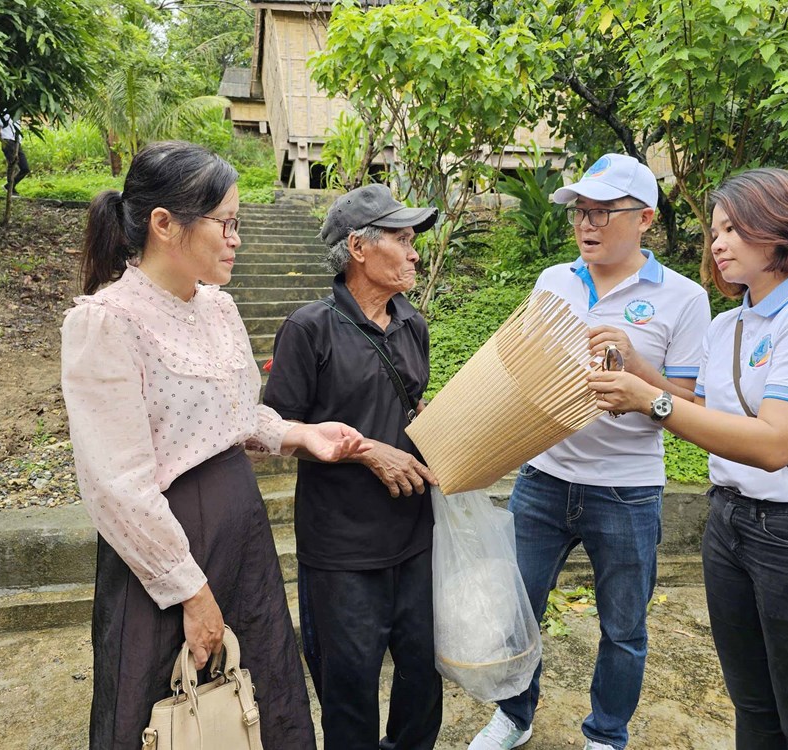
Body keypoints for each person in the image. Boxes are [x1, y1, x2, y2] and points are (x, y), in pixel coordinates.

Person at [61, 140, 370, 749]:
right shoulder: (108, 323)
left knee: (260, 699)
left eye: (238, 223)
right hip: (168, 551)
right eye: (225, 224)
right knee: (174, 711)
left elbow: (235, 416)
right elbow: (117, 487)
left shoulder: (219, 309)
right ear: (164, 224)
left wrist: (300, 434)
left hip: (241, 533)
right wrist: (191, 593)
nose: (236, 239)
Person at [588, 167, 788, 750]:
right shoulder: (730, 323)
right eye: (715, 230)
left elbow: (774, 444)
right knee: (753, 710)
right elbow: (703, 409)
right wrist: (640, 372)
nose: (717, 243)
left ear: (783, 231)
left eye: (733, 229)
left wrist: (648, 401)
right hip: (730, 525)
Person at [469, 154, 711, 750]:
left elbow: (688, 402)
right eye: (580, 211)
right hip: (543, 478)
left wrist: (637, 366)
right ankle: (515, 715)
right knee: (518, 610)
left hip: (628, 489)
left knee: (624, 628)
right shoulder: (553, 280)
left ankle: (606, 734)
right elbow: (520, 366)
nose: (586, 224)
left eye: (603, 212)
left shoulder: (683, 298)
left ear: (645, 218)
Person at [262, 183, 442, 749]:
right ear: (358, 248)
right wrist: (365, 450)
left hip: (414, 538)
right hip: (342, 551)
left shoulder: (412, 323)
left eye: (414, 241)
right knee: (349, 694)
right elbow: (276, 432)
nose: (414, 254)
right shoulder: (309, 328)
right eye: (402, 240)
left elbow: (408, 405)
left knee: (423, 682)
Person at [0, 112, 29, 194]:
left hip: (17, 143)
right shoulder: (3, 114)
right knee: (12, 165)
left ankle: (9, 186)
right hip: (8, 141)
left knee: (25, 168)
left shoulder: (17, 114)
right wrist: (3, 142)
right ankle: (10, 189)